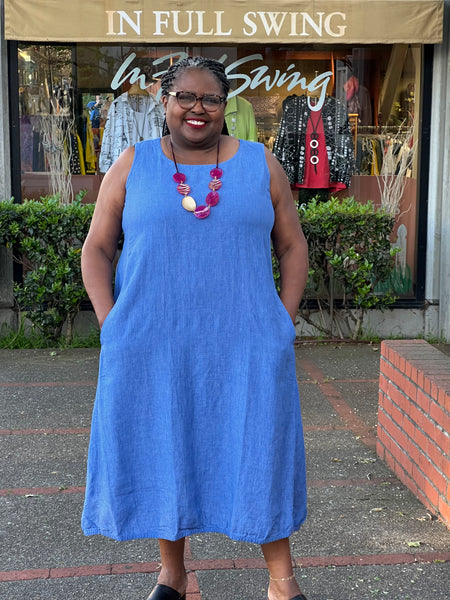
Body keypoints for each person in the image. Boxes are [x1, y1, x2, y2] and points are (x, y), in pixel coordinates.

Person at [81, 56, 309, 600]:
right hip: (154, 345)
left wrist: (281, 322)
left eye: (210, 98)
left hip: (246, 346)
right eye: (184, 96)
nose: (197, 108)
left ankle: (282, 583)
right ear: (165, 101)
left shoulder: (260, 163)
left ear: (225, 106)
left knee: (258, 450)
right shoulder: (132, 164)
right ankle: (173, 574)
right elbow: (97, 248)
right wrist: (112, 324)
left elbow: (293, 245)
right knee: (166, 447)